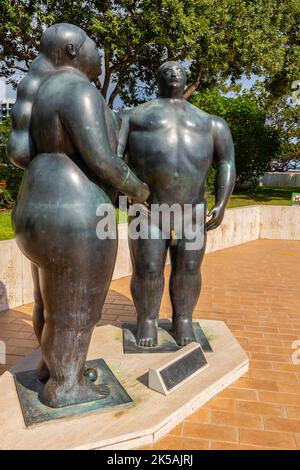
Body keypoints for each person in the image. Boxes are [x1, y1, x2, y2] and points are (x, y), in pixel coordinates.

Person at [7, 23, 149, 407]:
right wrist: (139, 190)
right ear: (72, 49)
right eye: (93, 46)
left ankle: (52, 368)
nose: (99, 55)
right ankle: (65, 387)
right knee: (76, 307)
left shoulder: (39, 93)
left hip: (36, 207)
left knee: (48, 301)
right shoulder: (77, 91)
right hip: (75, 214)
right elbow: (104, 161)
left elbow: (19, 155)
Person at [118, 61, 236, 348]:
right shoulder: (132, 117)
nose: (174, 72)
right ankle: (146, 319)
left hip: (192, 211)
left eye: (180, 70)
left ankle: (182, 318)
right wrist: (124, 195)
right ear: (156, 79)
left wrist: (221, 203)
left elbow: (227, 162)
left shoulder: (211, 122)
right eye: (167, 69)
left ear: (186, 80)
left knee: (189, 267)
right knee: (147, 268)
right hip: (147, 209)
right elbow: (114, 160)